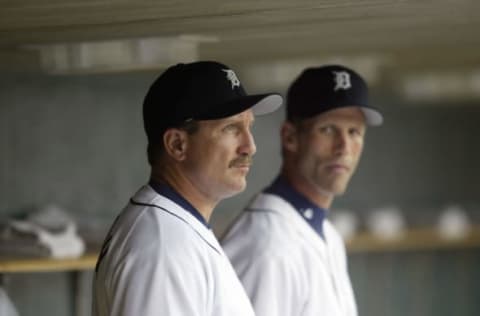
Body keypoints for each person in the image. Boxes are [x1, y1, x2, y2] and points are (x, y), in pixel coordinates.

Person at [92, 61, 283, 316]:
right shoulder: (163, 248)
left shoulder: (174, 229)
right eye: (231, 128)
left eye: (249, 127)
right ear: (177, 144)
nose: (250, 146)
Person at [221, 64, 383, 316]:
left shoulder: (329, 235)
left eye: (354, 132)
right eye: (328, 130)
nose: (344, 147)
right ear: (290, 137)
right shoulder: (266, 246)